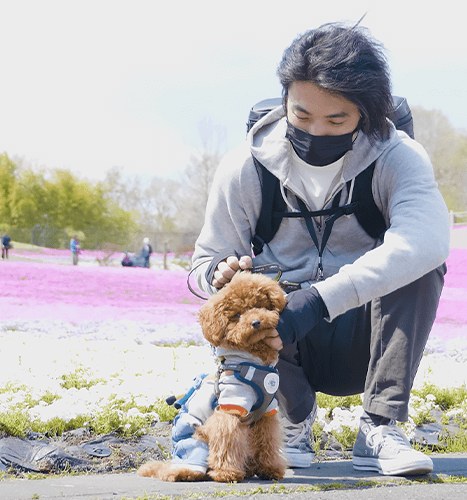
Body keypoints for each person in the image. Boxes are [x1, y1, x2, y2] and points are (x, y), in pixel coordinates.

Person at [185, 22, 449, 477]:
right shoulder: (245, 165)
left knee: (421, 267)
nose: (316, 131)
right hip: (282, 342)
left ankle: (381, 426)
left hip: (365, 334)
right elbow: (201, 263)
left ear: (365, 114)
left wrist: (319, 300)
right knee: (247, 299)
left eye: (336, 120)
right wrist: (217, 274)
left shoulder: (397, 156)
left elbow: (427, 240)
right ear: (285, 99)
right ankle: (289, 418)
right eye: (302, 116)